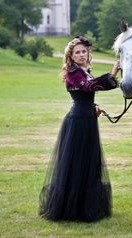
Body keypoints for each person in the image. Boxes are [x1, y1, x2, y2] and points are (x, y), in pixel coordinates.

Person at [39, 35, 120, 222]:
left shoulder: (85, 70)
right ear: (71, 56)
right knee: (76, 164)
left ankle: (86, 206)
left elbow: (86, 96)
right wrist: (113, 73)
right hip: (77, 123)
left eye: (84, 51)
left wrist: (94, 107)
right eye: (78, 52)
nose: (82, 55)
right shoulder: (74, 73)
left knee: (89, 162)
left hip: (87, 119)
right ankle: (73, 209)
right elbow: (90, 87)